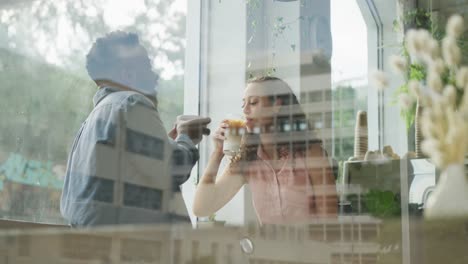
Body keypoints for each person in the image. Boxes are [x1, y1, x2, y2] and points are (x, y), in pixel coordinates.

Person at [60, 31, 211, 227]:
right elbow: (174, 168)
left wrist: (165, 143)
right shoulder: (130, 103)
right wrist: (186, 138)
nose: (155, 75)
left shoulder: (91, 122)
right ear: (127, 74)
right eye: (147, 67)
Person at [193, 76, 337, 225]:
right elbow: (202, 208)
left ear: (277, 105)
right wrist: (217, 153)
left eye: (253, 102)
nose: (245, 110)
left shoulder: (310, 152)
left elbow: (329, 221)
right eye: (244, 104)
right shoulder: (247, 158)